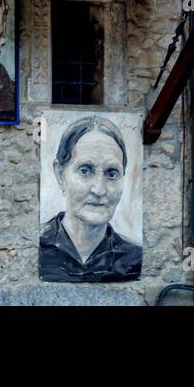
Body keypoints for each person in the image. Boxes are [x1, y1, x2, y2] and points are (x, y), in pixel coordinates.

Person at [39, 116, 142, 283]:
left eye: (111, 173)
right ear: (60, 174)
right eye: (85, 170)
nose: (99, 190)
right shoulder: (38, 246)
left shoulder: (133, 257)